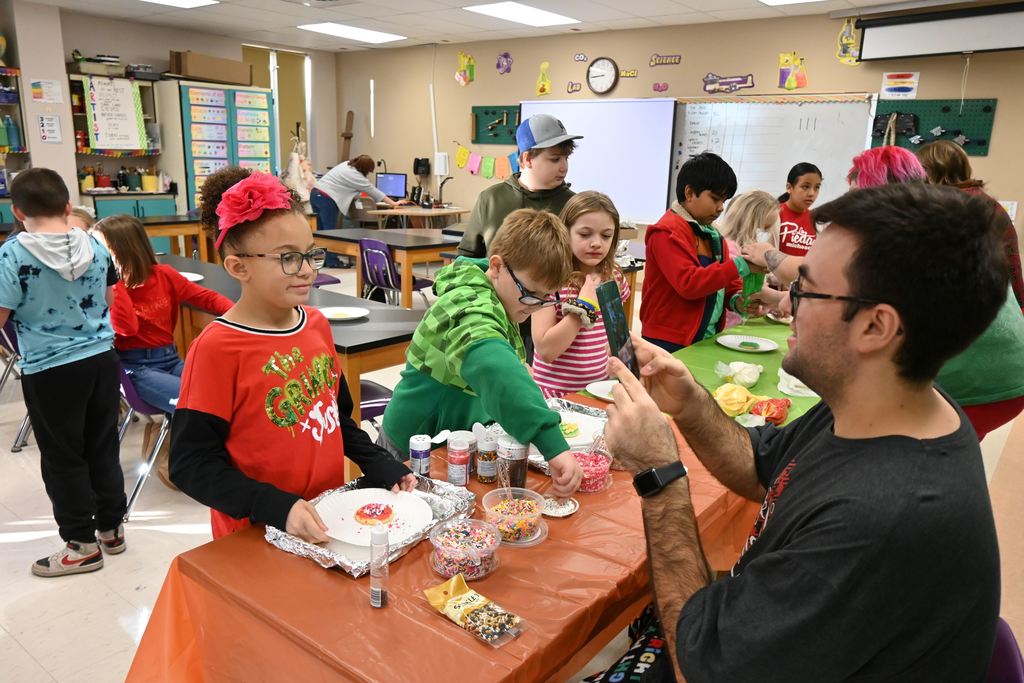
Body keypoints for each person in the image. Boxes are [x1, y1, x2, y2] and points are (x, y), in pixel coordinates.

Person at [603, 183, 1002, 681]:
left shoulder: (882, 517)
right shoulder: (881, 404)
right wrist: (690, 405)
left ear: (876, 328)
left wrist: (659, 476)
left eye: (804, 290)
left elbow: (699, 667)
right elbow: (759, 469)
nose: (787, 305)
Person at [169, 168, 415, 541]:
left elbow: (335, 416)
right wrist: (276, 505)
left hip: (326, 515)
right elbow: (191, 465)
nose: (305, 271)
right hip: (256, 532)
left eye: (310, 255)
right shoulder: (217, 349)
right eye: (287, 258)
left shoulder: (315, 324)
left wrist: (377, 461)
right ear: (239, 267)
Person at [379, 208, 583, 498]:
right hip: (411, 452)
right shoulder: (468, 304)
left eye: (545, 299)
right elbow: (492, 364)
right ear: (497, 267)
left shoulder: (502, 295)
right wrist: (551, 442)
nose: (534, 306)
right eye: (530, 294)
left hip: (453, 446)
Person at [0, 168, 125, 576]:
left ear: (18, 211)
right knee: (102, 444)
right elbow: (108, 299)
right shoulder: (95, 245)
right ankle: (111, 529)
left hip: (51, 369)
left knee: (63, 456)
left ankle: (81, 544)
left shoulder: (12, 254)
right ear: (68, 206)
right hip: (102, 359)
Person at [93, 214, 233, 488]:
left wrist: (238, 314)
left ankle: (183, 447)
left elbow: (203, 296)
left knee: (216, 392)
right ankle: (186, 463)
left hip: (169, 357)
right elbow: (128, 327)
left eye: (100, 249)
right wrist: (114, 281)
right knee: (190, 401)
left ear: (121, 250)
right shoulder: (108, 289)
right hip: (135, 368)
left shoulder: (163, 275)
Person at [639, 152, 749, 353]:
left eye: (724, 200)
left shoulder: (713, 235)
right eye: (715, 198)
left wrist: (739, 301)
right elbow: (689, 284)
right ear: (689, 193)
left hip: (705, 336)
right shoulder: (666, 232)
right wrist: (741, 265)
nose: (720, 208)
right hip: (668, 341)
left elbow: (728, 286)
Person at [531, 191, 630, 398]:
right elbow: (546, 351)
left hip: (599, 391)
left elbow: (619, 337)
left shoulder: (613, 277)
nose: (596, 243)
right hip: (556, 396)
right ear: (564, 232)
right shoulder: (549, 280)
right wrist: (583, 306)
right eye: (585, 234)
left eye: (606, 235)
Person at [456, 114, 582, 258]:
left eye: (566, 158)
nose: (564, 167)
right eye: (555, 159)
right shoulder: (490, 199)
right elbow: (467, 257)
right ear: (527, 159)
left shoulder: (575, 205)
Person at [918, 139, 1024, 308]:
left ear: (932, 171)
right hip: (1006, 302)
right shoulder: (979, 199)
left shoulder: (955, 205)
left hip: (985, 305)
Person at [716, 190, 781, 326]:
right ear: (748, 222)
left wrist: (769, 305)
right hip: (727, 324)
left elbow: (758, 290)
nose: (765, 234)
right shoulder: (729, 248)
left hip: (743, 321)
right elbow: (732, 290)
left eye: (768, 229)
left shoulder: (750, 250)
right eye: (763, 228)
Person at [310, 154, 406, 231]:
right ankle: (330, 256)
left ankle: (322, 255)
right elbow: (374, 191)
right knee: (329, 232)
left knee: (320, 231)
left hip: (315, 194)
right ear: (364, 169)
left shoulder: (347, 164)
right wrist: (393, 203)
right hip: (325, 199)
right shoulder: (356, 176)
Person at [777, 162, 822, 257]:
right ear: (789, 187)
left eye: (817, 187)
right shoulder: (774, 214)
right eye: (805, 187)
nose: (812, 193)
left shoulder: (817, 221)